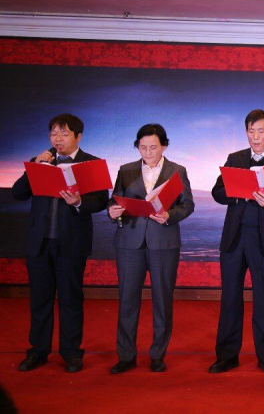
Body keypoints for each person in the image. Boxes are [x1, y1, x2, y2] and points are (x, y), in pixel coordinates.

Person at [11, 113, 109, 373]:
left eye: (64, 134)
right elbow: (18, 194)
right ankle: (38, 351)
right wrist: (34, 166)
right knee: (39, 299)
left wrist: (78, 202)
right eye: (54, 133)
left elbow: (101, 200)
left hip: (71, 242)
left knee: (70, 298)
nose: (58, 139)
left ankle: (71, 353)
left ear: (78, 136)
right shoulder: (41, 161)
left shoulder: (91, 163)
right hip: (40, 242)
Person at [208, 109, 264, 374]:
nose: (256, 137)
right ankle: (227, 356)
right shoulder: (235, 158)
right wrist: (238, 191)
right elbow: (217, 191)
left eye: (261, 131)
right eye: (251, 131)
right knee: (230, 297)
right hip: (235, 238)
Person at [106, 124, 194, 374]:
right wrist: (113, 212)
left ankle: (157, 355)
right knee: (127, 300)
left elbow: (187, 205)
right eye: (142, 147)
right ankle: (126, 356)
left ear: (164, 146)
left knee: (162, 300)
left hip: (163, 242)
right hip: (129, 242)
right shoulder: (126, 170)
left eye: (153, 147)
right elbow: (114, 200)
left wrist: (168, 216)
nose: (148, 152)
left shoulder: (177, 171)